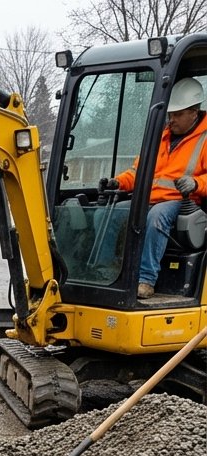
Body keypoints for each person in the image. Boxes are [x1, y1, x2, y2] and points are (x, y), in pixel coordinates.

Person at [100, 77, 207, 299]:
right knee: (106, 213)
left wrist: (196, 183)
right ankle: (106, 271)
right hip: (148, 198)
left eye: (177, 114)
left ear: (194, 113)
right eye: (170, 114)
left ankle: (146, 279)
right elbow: (139, 172)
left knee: (157, 216)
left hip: (182, 201)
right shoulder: (161, 138)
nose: (172, 119)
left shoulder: (204, 139)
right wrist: (118, 182)